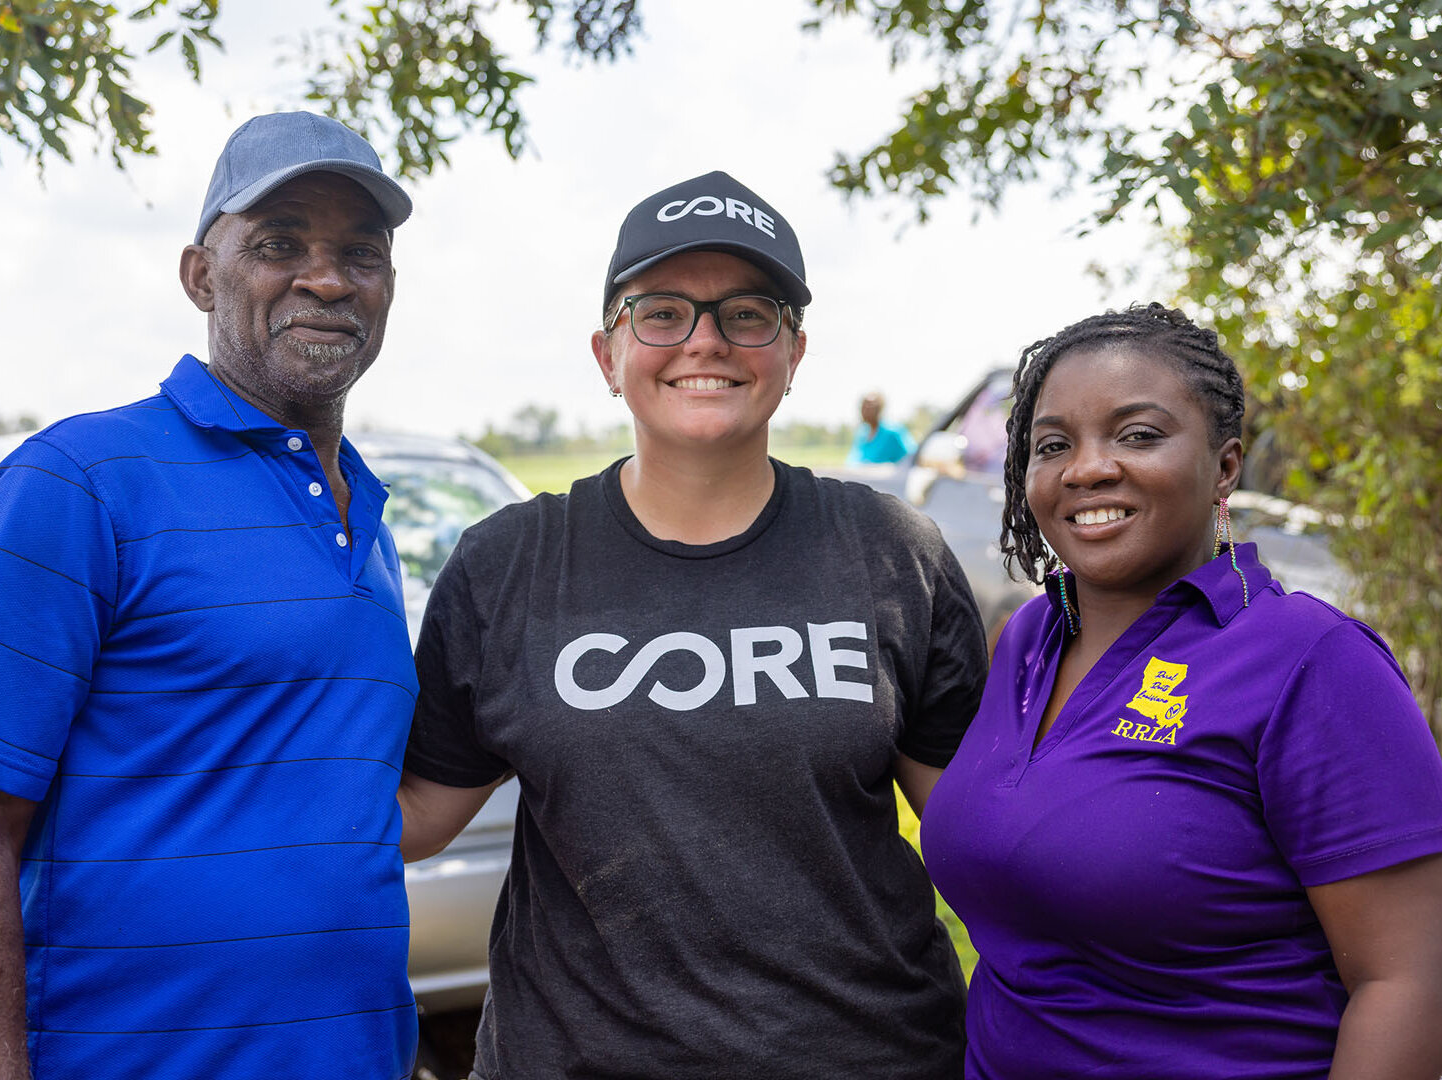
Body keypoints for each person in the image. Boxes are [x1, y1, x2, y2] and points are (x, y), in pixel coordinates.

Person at [396, 171, 988, 1078]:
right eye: (662, 312)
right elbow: (417, 818)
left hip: (868, 1056)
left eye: (746, 314)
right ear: (607, 352)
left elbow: (977, 832)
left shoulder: (887, 550)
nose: (704, 341)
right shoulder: (507, 564)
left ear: (792, 352)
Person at [0, 112, 421, 1079]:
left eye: (361, 252)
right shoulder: (82, 481)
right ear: (197, 275)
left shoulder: (369, 523)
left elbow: (356, 805)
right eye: (277, 244)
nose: (328, 278)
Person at [920, 304, 1442, 1079]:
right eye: (1052, 444)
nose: (1086, 467)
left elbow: (1409, 980)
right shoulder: (1026, 639)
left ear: (1224, 466)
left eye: (1136, 435)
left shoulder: (1311, 661)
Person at [847, 390, 915, 465]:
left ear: (880, 408)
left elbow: (913, 457)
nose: (865, 410)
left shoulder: (893, 432)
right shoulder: (862, 433)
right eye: (863, 405)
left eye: (870, 406)